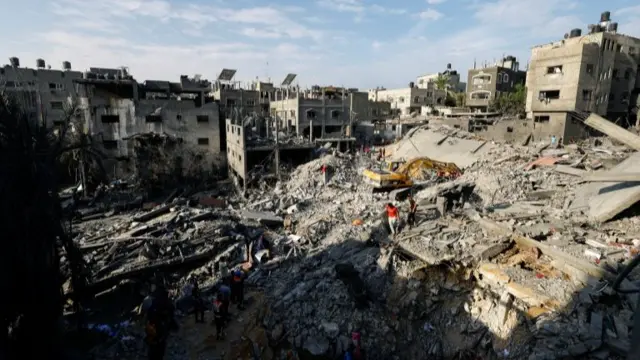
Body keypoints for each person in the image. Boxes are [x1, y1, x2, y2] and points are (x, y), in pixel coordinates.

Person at [145, 285, 178, 360]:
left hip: (155, 331)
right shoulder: (164, 302)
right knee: (159, 350)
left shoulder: (153, 303)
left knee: (154, 351)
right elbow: (171, 310)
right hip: (159, 332)